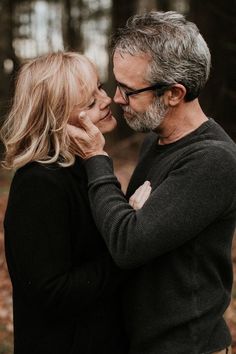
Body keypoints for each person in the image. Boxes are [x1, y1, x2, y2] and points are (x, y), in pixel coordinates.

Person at [67, 11, 236, 354]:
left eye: (129, 91)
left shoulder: (214, 160)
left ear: (174, 93)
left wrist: (96, 159)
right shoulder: (155, 141)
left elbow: (128, 244)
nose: (116, 99)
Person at [0, 51, 140, 354]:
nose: (107, 101)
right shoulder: (39, 184)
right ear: (54, 120)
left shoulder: (82, 166)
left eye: (100, 88)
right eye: (90, 103)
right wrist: (132, 249)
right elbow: (52, 292)